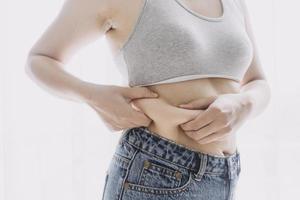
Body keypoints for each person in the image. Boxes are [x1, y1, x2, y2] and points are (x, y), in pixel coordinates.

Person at [25, 0, 271, 199]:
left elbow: (257, 82)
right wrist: (94, 96)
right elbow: (39, 59)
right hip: (155, 171)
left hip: (224, 174)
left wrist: (243, 105)